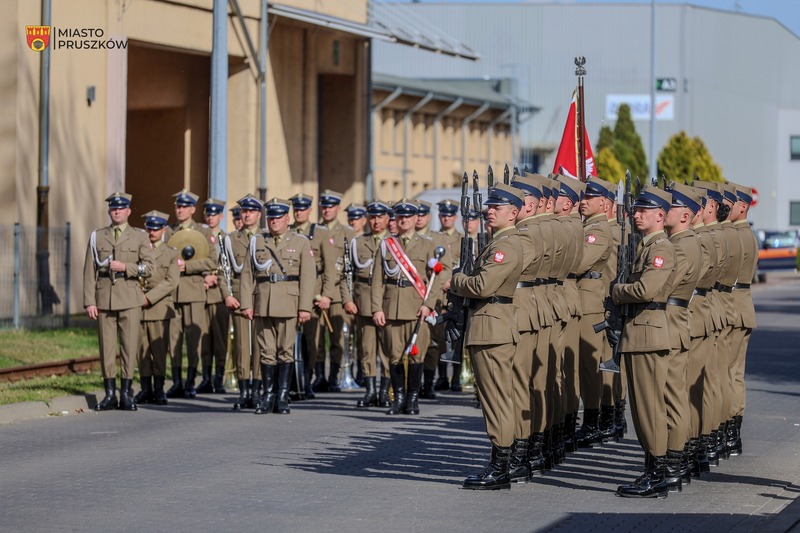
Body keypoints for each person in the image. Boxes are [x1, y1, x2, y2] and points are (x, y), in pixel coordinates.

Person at [451, 183, 525, 490]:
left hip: (493, 327)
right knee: (494, 399)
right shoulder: (498, 242)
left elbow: (482, 286)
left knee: (496, 400)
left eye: (497, 208)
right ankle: (500, 462)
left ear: (514, 213)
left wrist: (457, 279)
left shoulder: (505, 245)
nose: (490, 211)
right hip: (489, 325)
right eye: (490, 207)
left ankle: (500, 467)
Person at [612, 185, 677, 499]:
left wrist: (616, 291)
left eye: (643, 211)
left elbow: (645, 290)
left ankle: (657, 474)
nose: (636, 215)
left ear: (661, 216)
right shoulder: (645, 247)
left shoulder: (661, 248)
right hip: (638, 332)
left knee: (650, 408)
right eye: (635, 210)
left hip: (649, 333)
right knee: (640, 409)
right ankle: (652, 470)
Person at [239, 199, 315, 415]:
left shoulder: (300, 242)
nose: (273, 221)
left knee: (285, 351)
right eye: (270, 217)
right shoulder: (257, 241)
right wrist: (246, 304)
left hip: (289, 303)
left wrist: (305, 307)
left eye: (278, 217)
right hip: (263, 301)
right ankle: (268, 395)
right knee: (267, 352)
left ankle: (282, 396)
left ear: (287, 219)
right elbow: (247, 275)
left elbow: (308, 277)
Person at [83, 192, 154, 411]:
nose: (117, 211)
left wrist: (127, 268)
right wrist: (89, 301)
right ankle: (110, 393)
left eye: (121, 208)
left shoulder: (140, 236)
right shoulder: (98, 236)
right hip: (104, 296)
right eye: (114, 208)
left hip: (130, 297)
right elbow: (89, 270)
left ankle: (126, 393)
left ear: (129, 211)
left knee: (129, 346)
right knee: (106, 347)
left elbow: (149, 268)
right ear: (109, 211)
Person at [371, 199, 440, 416]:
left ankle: (412, 399)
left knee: (416, 356)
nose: (404, 220)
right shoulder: (386, 245)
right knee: (394, 355)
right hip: (391, 307)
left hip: (417, 308)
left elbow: (436, 278)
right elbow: (377, 280)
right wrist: (377, 308)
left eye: (408, 217)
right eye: (400, 217)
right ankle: (398, 398)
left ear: (415, 218)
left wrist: (429, 305)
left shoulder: (428, 244)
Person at [663, 181, 703, 487]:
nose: (665, 210)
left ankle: (674, 464)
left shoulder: (683, 246)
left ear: (686, 215)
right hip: (673, 321)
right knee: (672, 395)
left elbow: (662, 286)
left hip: (671, 321)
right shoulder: (680, 243)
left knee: (672, 397)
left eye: (671, 206)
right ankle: (677, 461)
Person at [163, 189, 220, 399]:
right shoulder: (168, 232)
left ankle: (190, 381)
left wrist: (187, 267)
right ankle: (176, 380)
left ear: (193, 209)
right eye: (178, 206)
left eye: (184, 206)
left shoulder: (204, 232)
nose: (179, 210)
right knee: (173, 338)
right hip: (172, 292)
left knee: (193, 338)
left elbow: (212, 261)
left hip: (194, 291)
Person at [506, 175, 544, 482]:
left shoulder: (526, 235)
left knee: (518, 384)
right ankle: (521, 449)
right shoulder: (523, 232)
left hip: (520, 309)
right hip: (525, 308)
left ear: (528, 205)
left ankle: (519, 453)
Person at [574, 177, 615, 448]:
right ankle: (595, 419)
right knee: (581, 365)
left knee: (589, 366)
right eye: (583, 197)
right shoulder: (586, 227)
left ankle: (592, 421)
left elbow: (579, 261)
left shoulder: (597, 230)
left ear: (603, 202)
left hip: (589, 302)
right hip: (581, 300)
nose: (584, 201)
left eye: (590, 198)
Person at [343, 200, 392, 408]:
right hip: (362, 299)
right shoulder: (357, 242)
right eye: (372, 217)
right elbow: (346, 274)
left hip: (388, 301)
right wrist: (347, 299)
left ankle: (385, 391)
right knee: (366, 348)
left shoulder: (394, 243)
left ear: (388, 218)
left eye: (380, 217)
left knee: (388, 349)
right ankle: (371, 390)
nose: (376, 221)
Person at [289, 193, 336, 394]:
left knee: (311, 339)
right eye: (296, 209)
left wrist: (326, 294)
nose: (298, 212)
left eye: (302, 209)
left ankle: (307, 379)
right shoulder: (288, 232)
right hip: (290, 292)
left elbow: (330, 267)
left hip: (314, 293)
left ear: (309, 210)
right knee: (289, 339)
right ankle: (292, 380)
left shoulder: (321, 233)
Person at [725, 182, 759, 456]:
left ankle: (728, 431)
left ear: (743, 207)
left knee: (727, 375)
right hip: (740, 305)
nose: (725, 207)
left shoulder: (737, 235)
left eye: (730, 203)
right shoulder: (743, 234)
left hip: (733, 305)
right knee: (733, 374)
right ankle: (731, 432)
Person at [554, 176, 586, 453]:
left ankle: (563, 428)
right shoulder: (572, 225)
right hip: (561, 297)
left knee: (562, 370)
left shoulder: (569, 227)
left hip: (562, 297)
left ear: (566, 203)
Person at [135, 210, 179, 405]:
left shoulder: (171, 253)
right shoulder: (139, 250)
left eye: (155, 229)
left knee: (159, 350)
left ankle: (159, 389)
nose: (152, 232)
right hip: (138, 305)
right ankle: (145, 388)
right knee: (141, 349)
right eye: (149, 228)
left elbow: (171, 281)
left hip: (159, 306)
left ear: (163, 229)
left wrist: (149, 298)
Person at [225, 194, 263, 410]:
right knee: (242, 346)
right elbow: (224, 270)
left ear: (258, 214)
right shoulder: (232, 239)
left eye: (251, 211)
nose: (246, 214)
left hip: (261, 297)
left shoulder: (265, 238)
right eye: (243, 211)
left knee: (259, 346)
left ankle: (257, 389)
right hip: (239, 296)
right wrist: (227, 294)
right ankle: (244, 390)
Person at [315, 190, 356, 392]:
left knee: (338, 337)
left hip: (338, 293)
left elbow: (349, 265)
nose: (327, 210)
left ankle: (335, 375)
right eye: (324, 206)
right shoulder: (314, 230)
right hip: (317, 290)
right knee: (317, 337)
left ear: (338, 208)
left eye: (331, 206)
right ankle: (319, 375)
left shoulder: (347, 233)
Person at [199, 197, 230, 394]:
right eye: (208, 214)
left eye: (214, 214)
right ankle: (206, 377)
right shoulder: (198, 237)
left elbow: (228, 266)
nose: (210, 218)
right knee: (204, 337)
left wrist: (214, 277)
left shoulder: (226, 239)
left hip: (219, 293)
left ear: (221, 216)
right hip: (201, 291)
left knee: (219, 337)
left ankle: (219, 377)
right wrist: (204, 276)